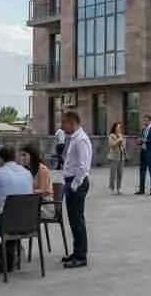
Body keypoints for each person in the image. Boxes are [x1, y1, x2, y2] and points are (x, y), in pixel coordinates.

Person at [60, 111, 91, 269]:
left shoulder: (80, 140)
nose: (62, 126)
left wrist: (74, 185)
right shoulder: (74, 138)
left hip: (76, 183)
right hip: (71, 181)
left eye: (64, 123)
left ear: (72, 122)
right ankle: (77, 251)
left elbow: (83, 166)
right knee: (73, 220)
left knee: (77, 220)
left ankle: (80, 256)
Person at [135, 114, 151, 196]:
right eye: (144, 120)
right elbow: (142, 140)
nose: (144, 122)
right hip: (143, 152)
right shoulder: (143, 130)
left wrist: (147, 140)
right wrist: (139, 141)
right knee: (142, 171)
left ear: (149, 121)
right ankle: (141, 189)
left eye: (146, 120)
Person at [106, 122, 126, 194]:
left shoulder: (121, 136)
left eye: (120, 127)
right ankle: (111, 188)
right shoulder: (111, 136)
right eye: (117, 127)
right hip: (114, 157)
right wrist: (118, 140)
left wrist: (122, 142)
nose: (118, 129)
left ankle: (118, 188)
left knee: (120, 173)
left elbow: (124, 145)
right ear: (114, 128)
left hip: (121, 157)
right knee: (113, 174)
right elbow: (112, 145)